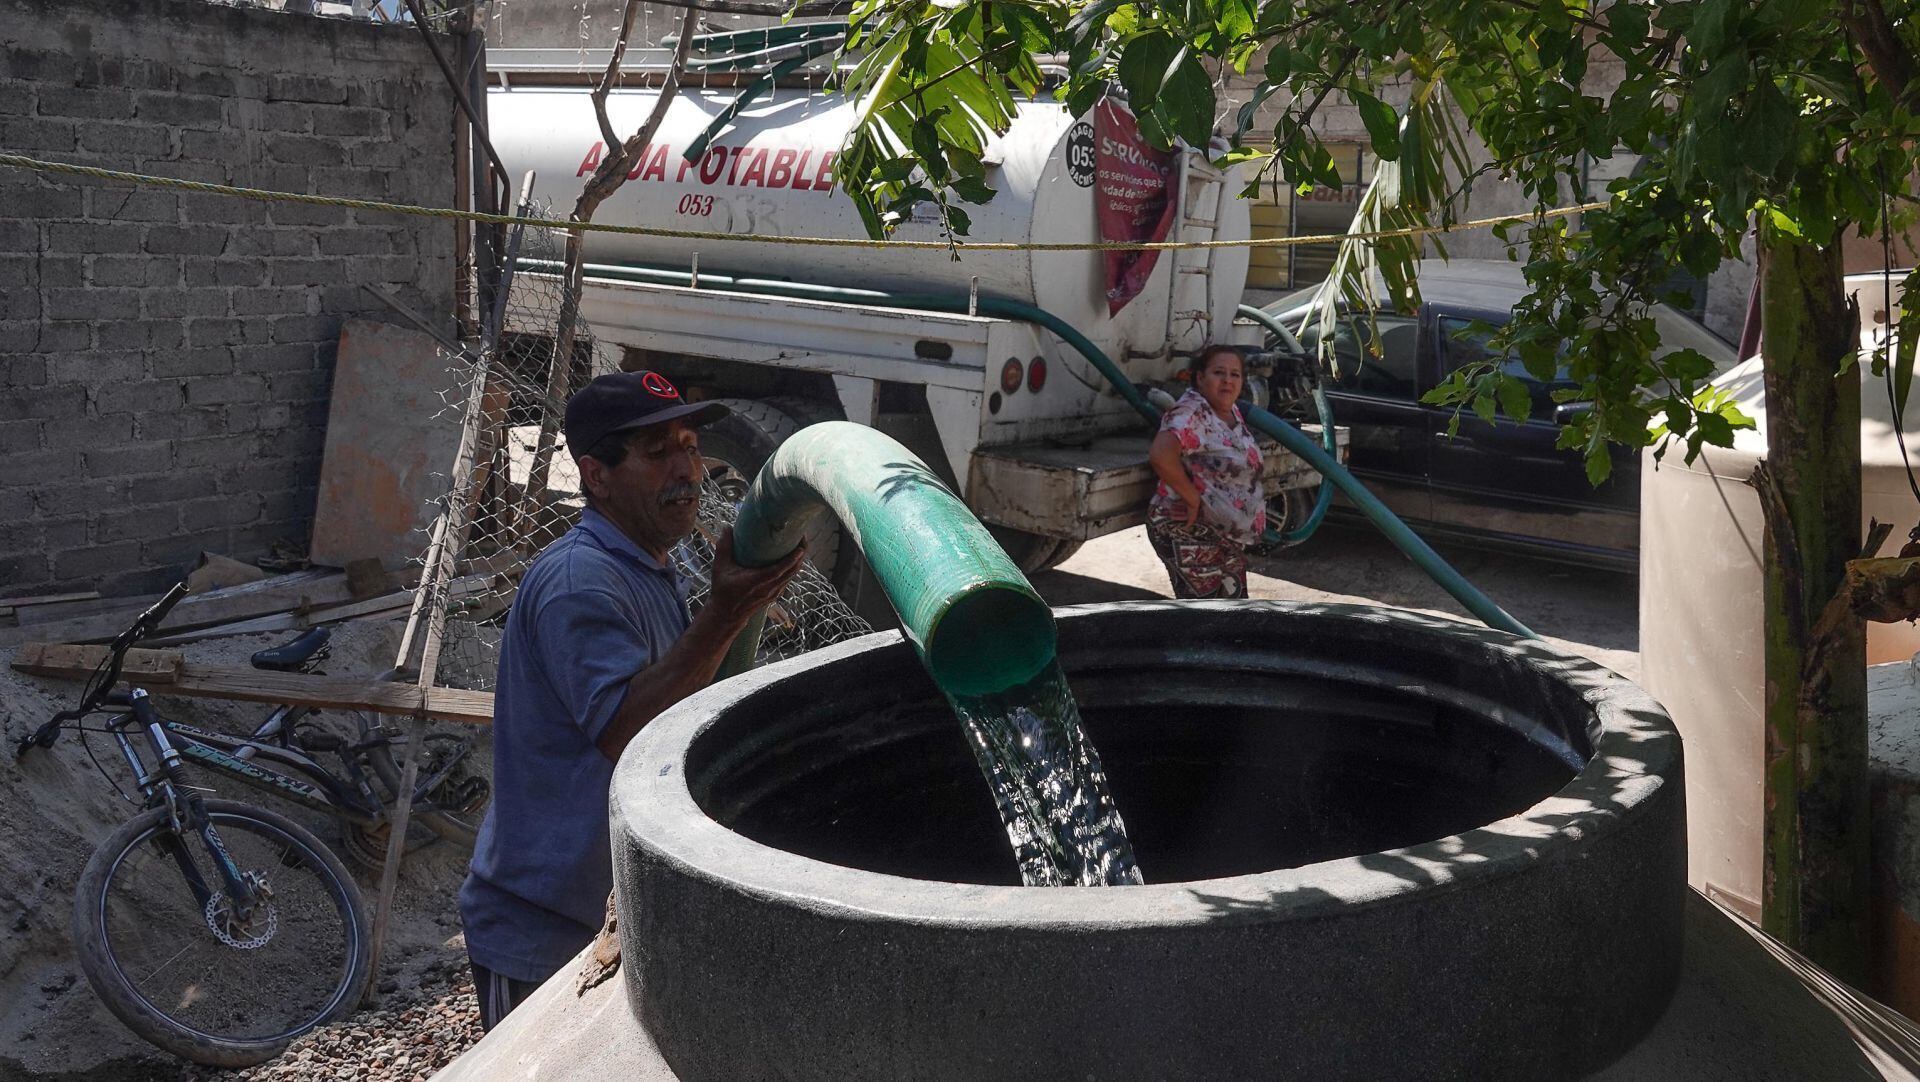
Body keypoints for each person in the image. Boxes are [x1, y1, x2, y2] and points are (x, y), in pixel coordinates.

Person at [458, 370, 805, 1031]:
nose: (688, 470)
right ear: (596, 475)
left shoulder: (642, 564)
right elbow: (626, 730)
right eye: (658, 453)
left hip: (602, 921)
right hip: (543, 932)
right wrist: (728, 611)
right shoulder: (580, 584)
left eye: (688, 445)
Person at [1146, 345, 1267, 599]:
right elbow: (1161, 455)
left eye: (1235, 374)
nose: (1227, 380)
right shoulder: (1192, 411)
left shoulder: (1228, 410)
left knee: (1234, 613)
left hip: (1223, 534)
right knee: (1205, 617)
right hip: (1189, 530)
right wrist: (1191, 498)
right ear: (1200, 377)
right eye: (1218, 372)